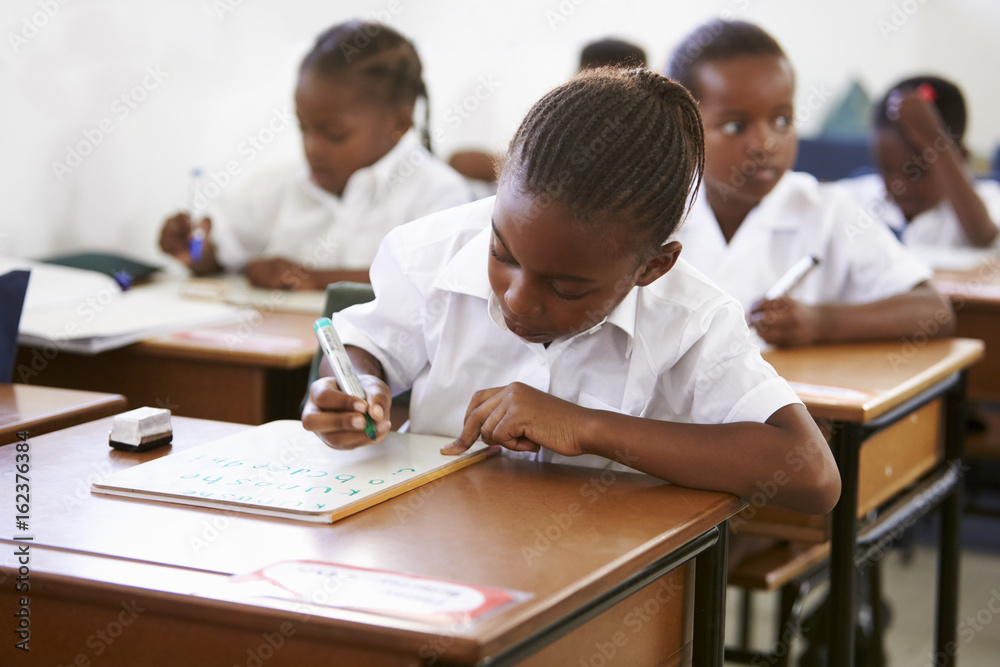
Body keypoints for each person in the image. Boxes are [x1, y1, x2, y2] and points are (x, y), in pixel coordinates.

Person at [301, 67, 841, 516]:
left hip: (603, 582)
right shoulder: (432, 250)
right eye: (502, 254)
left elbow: (811, 474)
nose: (516, 300)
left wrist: (587, 427)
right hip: (432, 547)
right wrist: (354, 387)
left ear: (652, 267)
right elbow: (361, 347)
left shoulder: (690, 319)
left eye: (566, 287)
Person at [667, 20, 955, 348]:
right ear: (684, 128)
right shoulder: (658, 216)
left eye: (782, 120)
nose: (765, 144)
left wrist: (822, 323)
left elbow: (935, 311)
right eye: (735, 125)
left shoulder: (827, 211)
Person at [159, 20, 473, 290]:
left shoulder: (439, 194)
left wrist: (312, 278)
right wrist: (194, 249)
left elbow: (426, 283)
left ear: (400, 124)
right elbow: (219, 254)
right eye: (303, 128)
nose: (313, 147)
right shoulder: (278, 185)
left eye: (334, 134)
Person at [840, 75, 1000, 248]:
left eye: (916, 172)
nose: (900, 185)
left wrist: (936, 143)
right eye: (886, 169)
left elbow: (983, 236)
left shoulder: (986, 200)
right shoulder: (859, 198)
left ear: (960, 159)